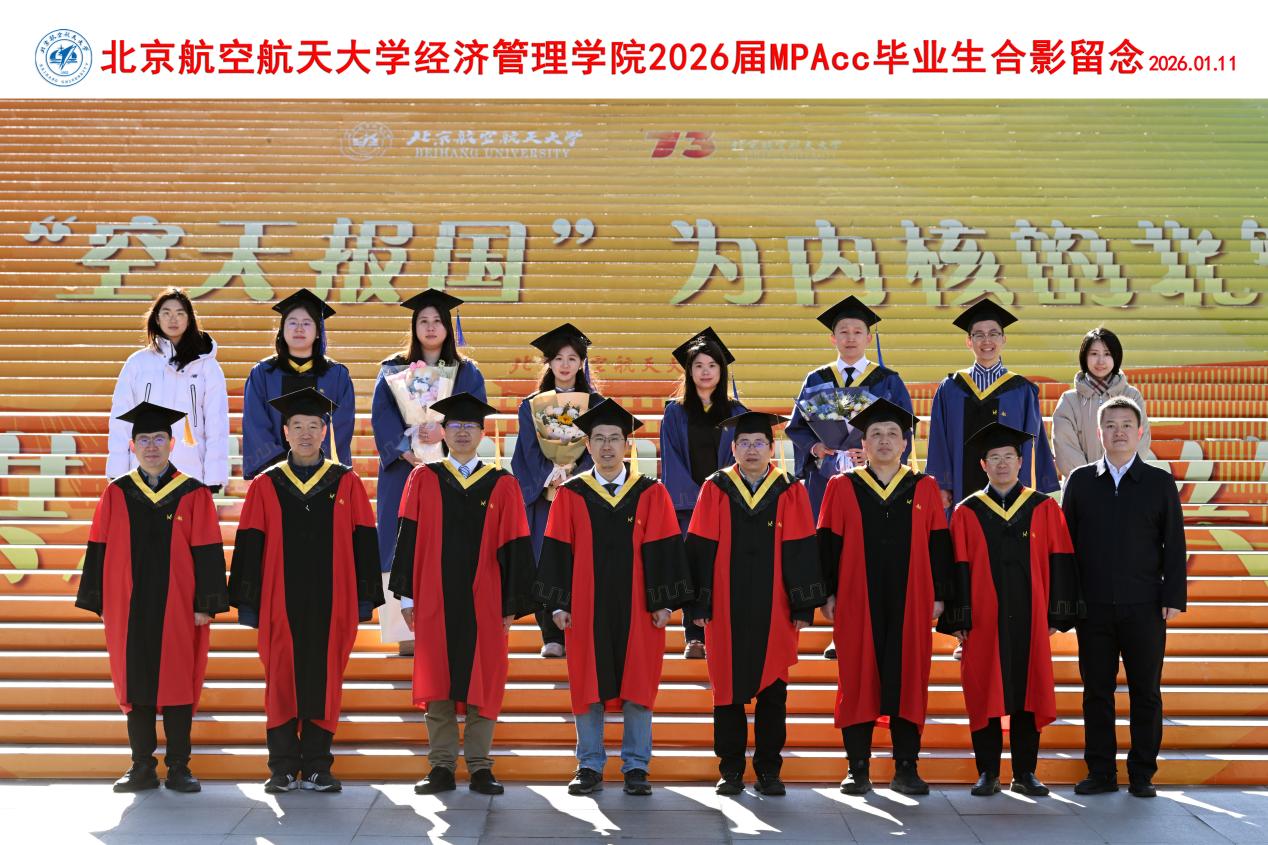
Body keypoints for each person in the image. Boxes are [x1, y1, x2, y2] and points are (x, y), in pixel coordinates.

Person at [534, 398, 693, 796]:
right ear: (587, 445)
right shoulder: (571, 494)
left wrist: (664, 603)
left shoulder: (650, 492)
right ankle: (589, 765)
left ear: (628, 445)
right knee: (587, 683)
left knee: (638, 682)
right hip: (585, 607)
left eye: (615, 439)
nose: (607, 446)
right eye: (599, 439)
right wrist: (558, 604)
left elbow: (665, 548)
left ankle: (636, 766)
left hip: (640, 607)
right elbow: (556, 551)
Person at [228, 387, 384, 793]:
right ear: (285, 431)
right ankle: (281, 767)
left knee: (325, 678)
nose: (305, 433)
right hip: (278, 602)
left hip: (334, 602)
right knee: (280, 679)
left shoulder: (346, 482)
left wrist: (365, 597)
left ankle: (317, 765)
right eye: (297, 426)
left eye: (314, 426)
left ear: (325, 431)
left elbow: (364, 541)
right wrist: (248, 603)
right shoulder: (266, 484)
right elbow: (250, 544)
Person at [76, 401, 228, 793]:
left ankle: (179, 766)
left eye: (159, 438)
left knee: (178, 683)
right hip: (127, 605)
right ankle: (141, 765)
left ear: (172, 443)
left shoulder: (193, 493)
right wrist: (100, 600)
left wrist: (206, 603)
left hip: (179, 605)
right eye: (143, 439)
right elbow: (98, 546)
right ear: (132, 445)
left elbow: (208, 549)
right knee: (136, 684)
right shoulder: (117, 492)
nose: (151, 446)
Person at [389, 393, 535, 796]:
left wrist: (511, 603)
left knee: (483, 678)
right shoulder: (424, 478)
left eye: (471, 426)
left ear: (483, 433)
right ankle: (440, 765)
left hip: (485, 599)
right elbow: (408, 536)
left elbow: (516, 546)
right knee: (437, 678)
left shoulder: (502, 484)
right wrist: (406, 597)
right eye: (455, 425)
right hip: (433, 597)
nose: (463, 432)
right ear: (443, 432)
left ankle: (480, 766)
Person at [939, 422, 1082, 798]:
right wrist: (959, 619)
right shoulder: (967, 511)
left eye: (1009, 456)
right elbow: (956, 567)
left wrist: (1056, 615)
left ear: (1021, 461)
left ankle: (1025, 772)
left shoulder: (1043, 508)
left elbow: (1061, 560)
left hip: (1031, 618)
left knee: (1028, 692)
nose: (1002, 463)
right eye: (994, 457)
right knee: (983, 691)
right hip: (982, 621)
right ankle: (987, 772)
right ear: (983, 465)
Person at [817, 398, 952, 796]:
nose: (884, 440)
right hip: (856, 598)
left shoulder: (924, 487)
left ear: (905, 444)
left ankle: (906, 767)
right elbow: (827, 544)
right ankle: (857, 767)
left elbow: (939, 545)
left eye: (893, 433)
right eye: (875, 434)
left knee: (909, 677)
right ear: (863, 443)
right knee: (857, 677)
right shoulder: (842, 486)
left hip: (912, 598)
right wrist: (827, 593)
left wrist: (940, 595)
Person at [686, 411, 823, 796]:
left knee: (773, 690)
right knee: (726, 690)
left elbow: (801, 549)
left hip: (776, 606)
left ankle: (768, 770)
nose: (751, 449)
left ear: (771, 447)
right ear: (733, 448)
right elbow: (699, 549)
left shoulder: (789, 489)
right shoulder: (716, 487)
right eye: (744, 443)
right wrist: (698, 606)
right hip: (724, 607)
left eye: (759, 443)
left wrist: (802, 606)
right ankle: (730, 769)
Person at [1061, 396, 1186, 798]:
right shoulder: (1080, 481)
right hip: (1093, 607)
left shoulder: (1159, 483)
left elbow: (1174, 544)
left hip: (1145, 606)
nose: (1119, 432)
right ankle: (1100, 771)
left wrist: (1173, 595)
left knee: (1145, 691)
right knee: (1096, 692)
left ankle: (1142, 773)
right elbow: (1065, 547)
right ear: (1099, 433)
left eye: (1126, 425)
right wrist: (1067, 602)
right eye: (1110, 426)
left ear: (1140, 432)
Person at [372, 290, 487, 657]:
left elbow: (476, 415)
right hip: (402, 471)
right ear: (414, 326)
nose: (431, 327)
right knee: (398, 542)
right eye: (423, 320)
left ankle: (451, 622)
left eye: (438, 320)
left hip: (453, 469)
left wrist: (446, 432)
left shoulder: (468, 371)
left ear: (448, 327)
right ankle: (402, 631)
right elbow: (381, 415)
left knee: (452, 541)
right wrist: (405, 449)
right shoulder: (392, 369)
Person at [511, 323, 603, 658]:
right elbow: (526, 449)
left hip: (583, 494)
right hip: (544, 495)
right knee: (543, 559)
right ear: (548, 362)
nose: (565, 365)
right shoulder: (531, 405)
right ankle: (551, 634)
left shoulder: (596, 404)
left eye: (572, 358)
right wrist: (550, 474)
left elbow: (602, 444)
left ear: (582, 363)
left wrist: (576, 474)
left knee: (581, 559)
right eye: (559, 358)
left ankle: (582, 630)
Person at [786, 295, 913, 521]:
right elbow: (797, 426)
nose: (850, 338)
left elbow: (904, 429)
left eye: (857, 332)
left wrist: (876, 454)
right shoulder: (816, 379)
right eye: (843, 332)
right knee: (826, 532)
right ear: (833, 338)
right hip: (825, 476)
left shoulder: (888, 380)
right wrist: (815, 448)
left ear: (868, 338)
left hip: (874, 476)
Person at [926, 298, 1059, 511]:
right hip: (961, 488)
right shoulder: (950, 388)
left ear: (1004, 339)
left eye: (993, 333)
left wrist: (1032, 486)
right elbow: (938, 440)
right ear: (969, 341)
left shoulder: (1021, 390)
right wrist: (942, 484)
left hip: (1011, 490)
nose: (986, 340)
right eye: (978, 334)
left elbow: (1033, 442)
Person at [661, 327, 746, 660]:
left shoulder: (737, 412)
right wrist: (695, 497)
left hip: (728, 501)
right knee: (693, 567)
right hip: (688, 506)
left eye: (712, 365)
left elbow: (743, 457)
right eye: (698, 365)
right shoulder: (675, 412)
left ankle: (723, 633)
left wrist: (719, 494)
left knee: (725, 567)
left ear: (722, 370)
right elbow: (671, 458)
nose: (706, 371)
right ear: (689, 371)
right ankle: (694, 636)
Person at [106, 288, 229, 491]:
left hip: (191, 470)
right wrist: (117, 473)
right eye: (166, 313)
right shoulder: (137, 363)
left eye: (180, 313)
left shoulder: (207, 366)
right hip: (144, 471)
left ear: (189, 319)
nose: (173, 319)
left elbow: (217, 424)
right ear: (156, 318)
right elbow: (120, 421)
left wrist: (214, 476)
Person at [241, 289, 355, 480]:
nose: (299, 329)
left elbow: (342, 425)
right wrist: (278, 467)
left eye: (307, 323)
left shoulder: (336, 375)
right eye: (292, 322)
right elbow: (255, 423)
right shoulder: (263, 373)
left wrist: (317, 462)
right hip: (275, 474)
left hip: (322, 475)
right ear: (282, 330)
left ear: (318, 332)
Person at [1051, 327, 1152, 479]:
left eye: (1107, 354)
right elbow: (1064, 447)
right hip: (1081, 488)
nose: (1100, 361)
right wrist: (1090, 481)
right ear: (1084, 357)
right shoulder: (1069, 401)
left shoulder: (1132, 396)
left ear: (1116, 357)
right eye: (1094, 354)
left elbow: (1141, 440)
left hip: (1124, 485)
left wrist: (1119, 477)